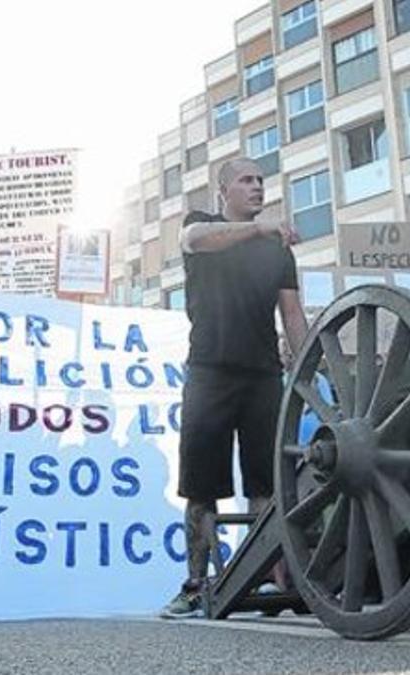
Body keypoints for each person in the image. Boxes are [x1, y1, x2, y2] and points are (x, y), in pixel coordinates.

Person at [160, 158, 308, 618]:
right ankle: (194, 584)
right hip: (208, 371)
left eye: (261, 181)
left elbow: (293, 316)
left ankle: (262, 574)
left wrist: (307, 375)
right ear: (223, 190)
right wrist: (261, 230)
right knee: (201, 486)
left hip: (263, 374)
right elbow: (195, 242)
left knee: (265, 483)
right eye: (247, 180)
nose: (257, 187)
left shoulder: (278, 250)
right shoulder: (201, 224)